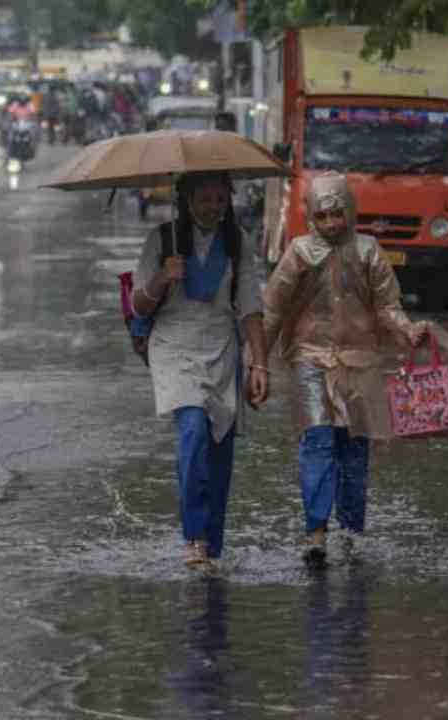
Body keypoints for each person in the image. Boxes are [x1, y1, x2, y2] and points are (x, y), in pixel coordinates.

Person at [261, 172, 429, 564]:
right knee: (317, 440)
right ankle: (316, 533)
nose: (332, 223)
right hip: (310, 359)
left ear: (350, 211)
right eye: (323, 216)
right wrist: (257, 363)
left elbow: (388, 305)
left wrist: (407, 329)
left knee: (355, 449)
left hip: (359, 363)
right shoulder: (298, 254)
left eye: (338, 214)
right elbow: (273, 311)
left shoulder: (370, 252)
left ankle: (352, 532)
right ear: (310, 218)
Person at [129, 171, 269, 572]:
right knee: (193, 431)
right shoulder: (162, 238)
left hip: (222, 346)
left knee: (220, 444)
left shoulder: (236, 242)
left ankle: (213, 543)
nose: (213, 207)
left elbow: (251, 309)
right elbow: (139, 305)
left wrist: (259, 363)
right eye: (204, 199)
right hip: (173, 346)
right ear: (187, 201)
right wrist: (162, 278)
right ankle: (194, 538)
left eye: (220, 200)